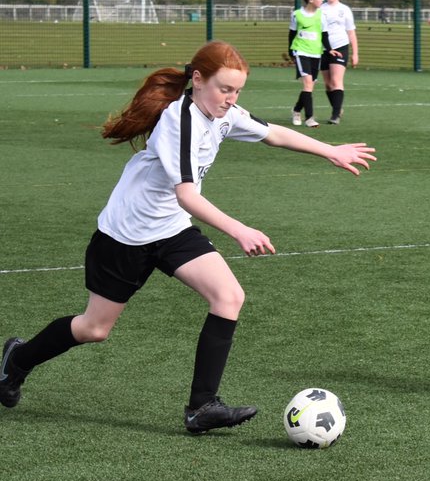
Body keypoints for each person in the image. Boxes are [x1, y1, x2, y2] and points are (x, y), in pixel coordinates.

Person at [0, 41, 377, 434]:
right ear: (197, 80)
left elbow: (272, 134)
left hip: (172, 229)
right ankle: (18, 359)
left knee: (228, 296)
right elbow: (187, 194)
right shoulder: (179, 120)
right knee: (94, 329)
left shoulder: (222, 114)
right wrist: (238, 229)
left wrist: (329, 150)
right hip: (126, 235)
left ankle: (202, 407)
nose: (231, 100)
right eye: (224, 89)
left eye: (237, 91)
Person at [320, 0, 359, 125]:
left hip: (340, 46)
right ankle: (337, 108)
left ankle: (335, 115)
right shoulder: (321, 9)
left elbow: (351, 33)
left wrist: (355, 53)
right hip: (323, 49)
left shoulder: (345, 10)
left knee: (336, 81)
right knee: (328, 84)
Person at [289, 0, 329, 128]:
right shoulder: (296, 15)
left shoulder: (322, 15)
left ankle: (296, 110)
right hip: (300, 51)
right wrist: (290, 52)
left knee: (310, 86)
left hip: (315, 53)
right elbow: (292, 34)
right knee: (307, 84)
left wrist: (329, 49)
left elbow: (324, 35)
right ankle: (310, 118)